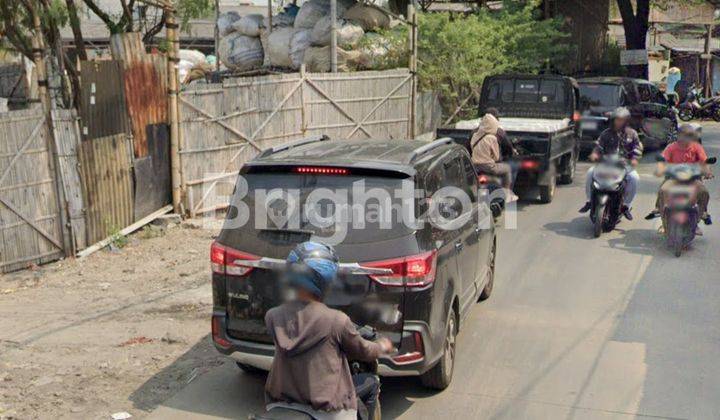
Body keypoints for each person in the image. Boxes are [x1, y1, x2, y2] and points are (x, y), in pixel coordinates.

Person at [264, 241, 394, 420]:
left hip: (278, 403)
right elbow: (364, 351)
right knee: (371, 383)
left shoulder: (273, 317)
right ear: (325, 279)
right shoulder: (337, 321)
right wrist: (382, 346)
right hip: (328, 411)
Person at [579, 107, 642, 220]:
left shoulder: (632, 134)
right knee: (590, 172)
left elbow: (637, 147)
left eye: (622, 120)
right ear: (613, 120)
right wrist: (595, 154)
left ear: (626, 121)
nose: (619, 122)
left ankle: (625, 206)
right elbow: (598, 146)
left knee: (634, 178)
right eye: (617, 119)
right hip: (606, 164)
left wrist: (635, 158)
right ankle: (589, 201)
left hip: (624, 165)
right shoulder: (606, 134)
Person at [645, 124, 713, 227]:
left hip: (693, 179)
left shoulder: (697, 147)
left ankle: (700, 215)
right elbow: (663, 159)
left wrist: (708, 172)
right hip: (673, 178)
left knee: (704, 192)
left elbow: (704, 161)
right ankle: (662, 215)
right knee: (663, 190)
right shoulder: (671, 147)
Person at [471, 113, 519, 202]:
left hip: (474, 166)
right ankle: (507, 194)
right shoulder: (492, 138)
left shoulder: (475, 135)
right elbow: (496, 157)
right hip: (489, 167)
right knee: (507, 168)